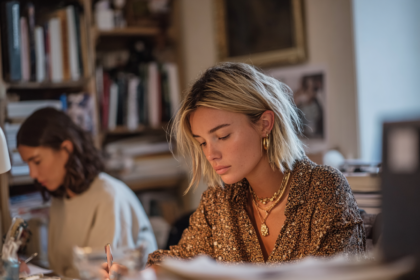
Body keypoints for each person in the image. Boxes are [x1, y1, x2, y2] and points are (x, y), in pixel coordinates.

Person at [103, 62, 365, 278]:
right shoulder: (219, 201)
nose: (210, 154)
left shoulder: (324, 189)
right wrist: (136, 274)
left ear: (264, 123)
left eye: (223, 136)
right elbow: (178, 263)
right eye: (202, 142)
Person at [17, 108, 157, 278]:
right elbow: (63, 270)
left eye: (37, 161)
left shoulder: (108, 197)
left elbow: (105, 276)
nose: (32, 174)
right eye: (27, 164)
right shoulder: (60, 200)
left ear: (66, 149)